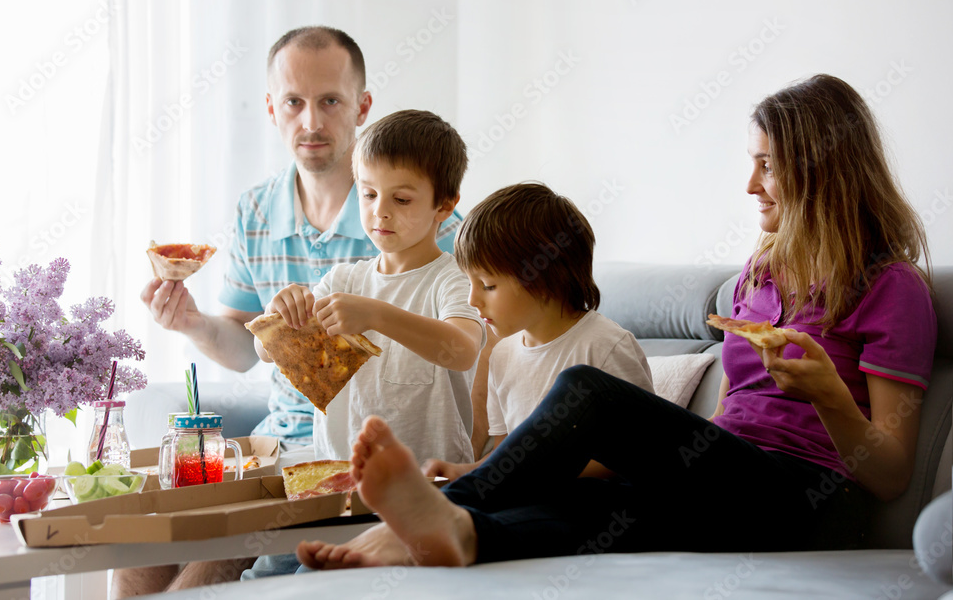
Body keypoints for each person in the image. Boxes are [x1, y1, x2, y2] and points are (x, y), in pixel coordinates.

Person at [295, 73, 938, 570]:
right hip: (729, 480)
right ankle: (456, 533)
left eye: (767, 164)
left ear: (820, 167)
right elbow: (729, 424)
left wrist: (829, 395)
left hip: (808, 499)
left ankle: (424, 516)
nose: (750, 183)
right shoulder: (758, 279)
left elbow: (890, 474)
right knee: (592, 506)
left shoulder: (891, 289)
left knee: (587, 392)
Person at [121, 27, 462, 596]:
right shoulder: (254, 209)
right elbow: (243, 348)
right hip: (276, 444)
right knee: (137, 553)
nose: (311, 122)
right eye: (294, 102)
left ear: (363, 107)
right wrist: (194, 323)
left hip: (362, 451)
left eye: (330, 100)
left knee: (202, 577)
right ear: (272, 109)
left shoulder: (419, 214)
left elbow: (468, 344)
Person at [259, 108, 484, 465]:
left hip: (429, 483)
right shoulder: (342, 281)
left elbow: (463, 350)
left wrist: (377, 315)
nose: (380, 211)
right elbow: (268, 351)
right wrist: (277, 315)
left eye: (402, 199)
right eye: (368, 194)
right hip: (338, 475)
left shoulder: (452, 280)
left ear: (444, 205)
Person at [422, 182, 654, 482]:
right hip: (528, 500)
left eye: (488, 285)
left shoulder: (606, 346)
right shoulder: (501, 356)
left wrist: (538, 475)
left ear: (546, 277)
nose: (472, 300)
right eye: (469, 283)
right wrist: (463, 472)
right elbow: (507, 458)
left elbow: (641, 451)